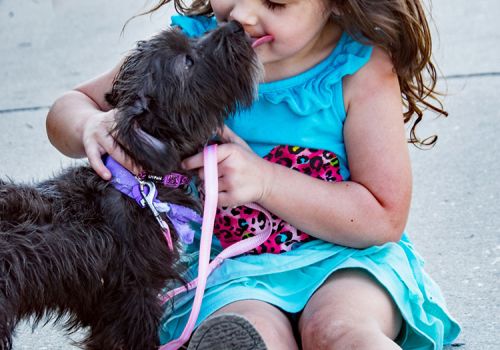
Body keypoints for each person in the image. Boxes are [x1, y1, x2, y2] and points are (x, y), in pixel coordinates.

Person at [46, 0, 461, 348]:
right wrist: (88, 125)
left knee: (339, 329)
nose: (243, 13)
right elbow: (71, 105)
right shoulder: (192, 50)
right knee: (247, 331)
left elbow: (383, 217)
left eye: (275, 2)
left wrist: (265, 182)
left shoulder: (359, 70)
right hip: (229, 269)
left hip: (344, 259)